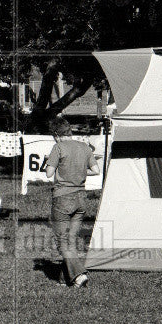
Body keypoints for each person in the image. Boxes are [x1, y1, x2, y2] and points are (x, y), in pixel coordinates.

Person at [45, 118, 100, 288]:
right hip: (81, 199)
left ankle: (79, 274)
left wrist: (51, 161)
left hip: (63, 197)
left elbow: (49, 173)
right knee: (70, 240)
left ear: (56, 135)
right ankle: (65, 279)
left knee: (62, 241)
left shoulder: (58, 147)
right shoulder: (84, 147)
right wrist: (78, 171)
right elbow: (96, 170)